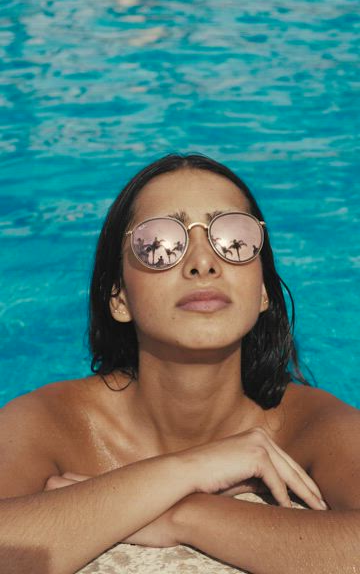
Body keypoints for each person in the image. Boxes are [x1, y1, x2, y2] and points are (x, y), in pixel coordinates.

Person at [0, 153, 359, 574]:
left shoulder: (310, 424)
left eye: (234, 238)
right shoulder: (53, 422)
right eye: (161, 244)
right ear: (118, 298)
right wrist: (191, 467)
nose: (203, 262)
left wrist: (181, 513)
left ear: (262, 290)